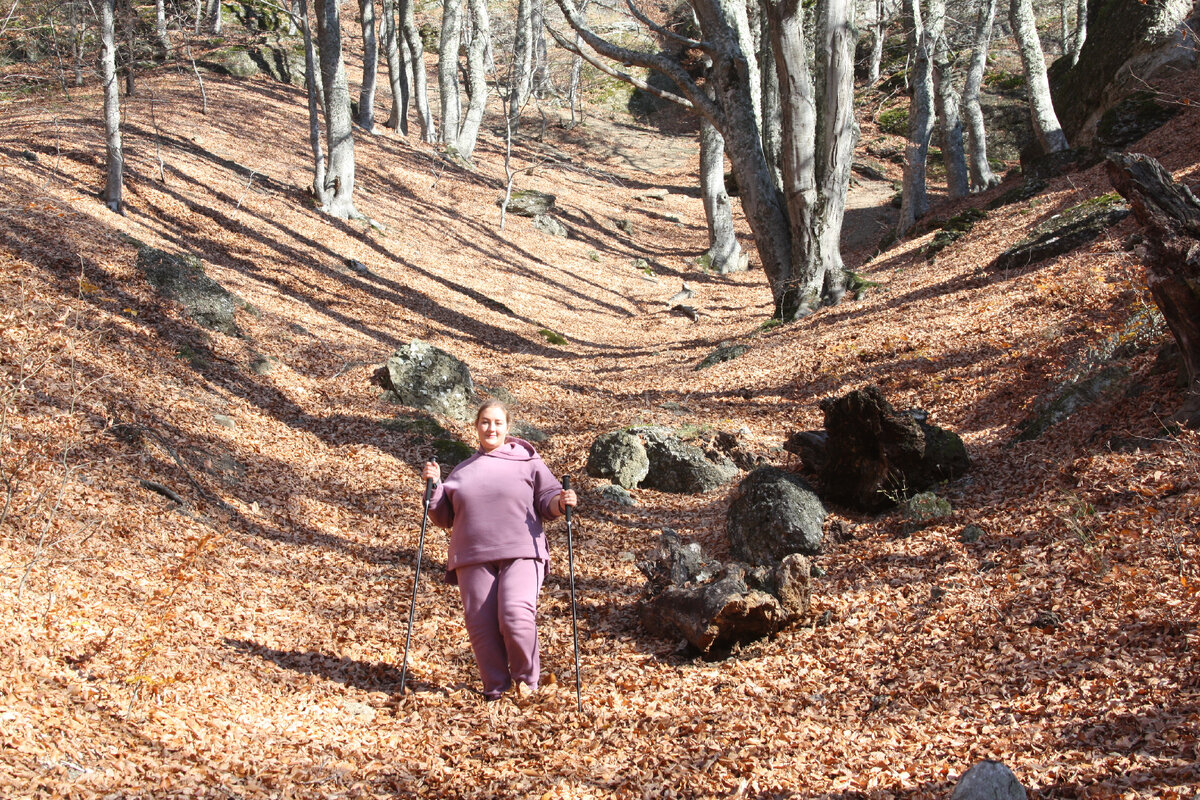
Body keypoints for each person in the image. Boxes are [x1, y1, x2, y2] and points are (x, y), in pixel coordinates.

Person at [421, 400, 577, 700]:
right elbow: (443, 517)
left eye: (497, 422)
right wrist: (435, 486)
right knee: (481, 625)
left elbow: (547, 499)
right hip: (472, 555)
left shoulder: (528, 461)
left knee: (515, 614)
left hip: (522, 550)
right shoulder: (462, 472)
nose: (491, 428)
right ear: (476, 426)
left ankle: (526, 686)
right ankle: (495, 690)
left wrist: (561, 502)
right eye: (484, 422)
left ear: (508, 427)